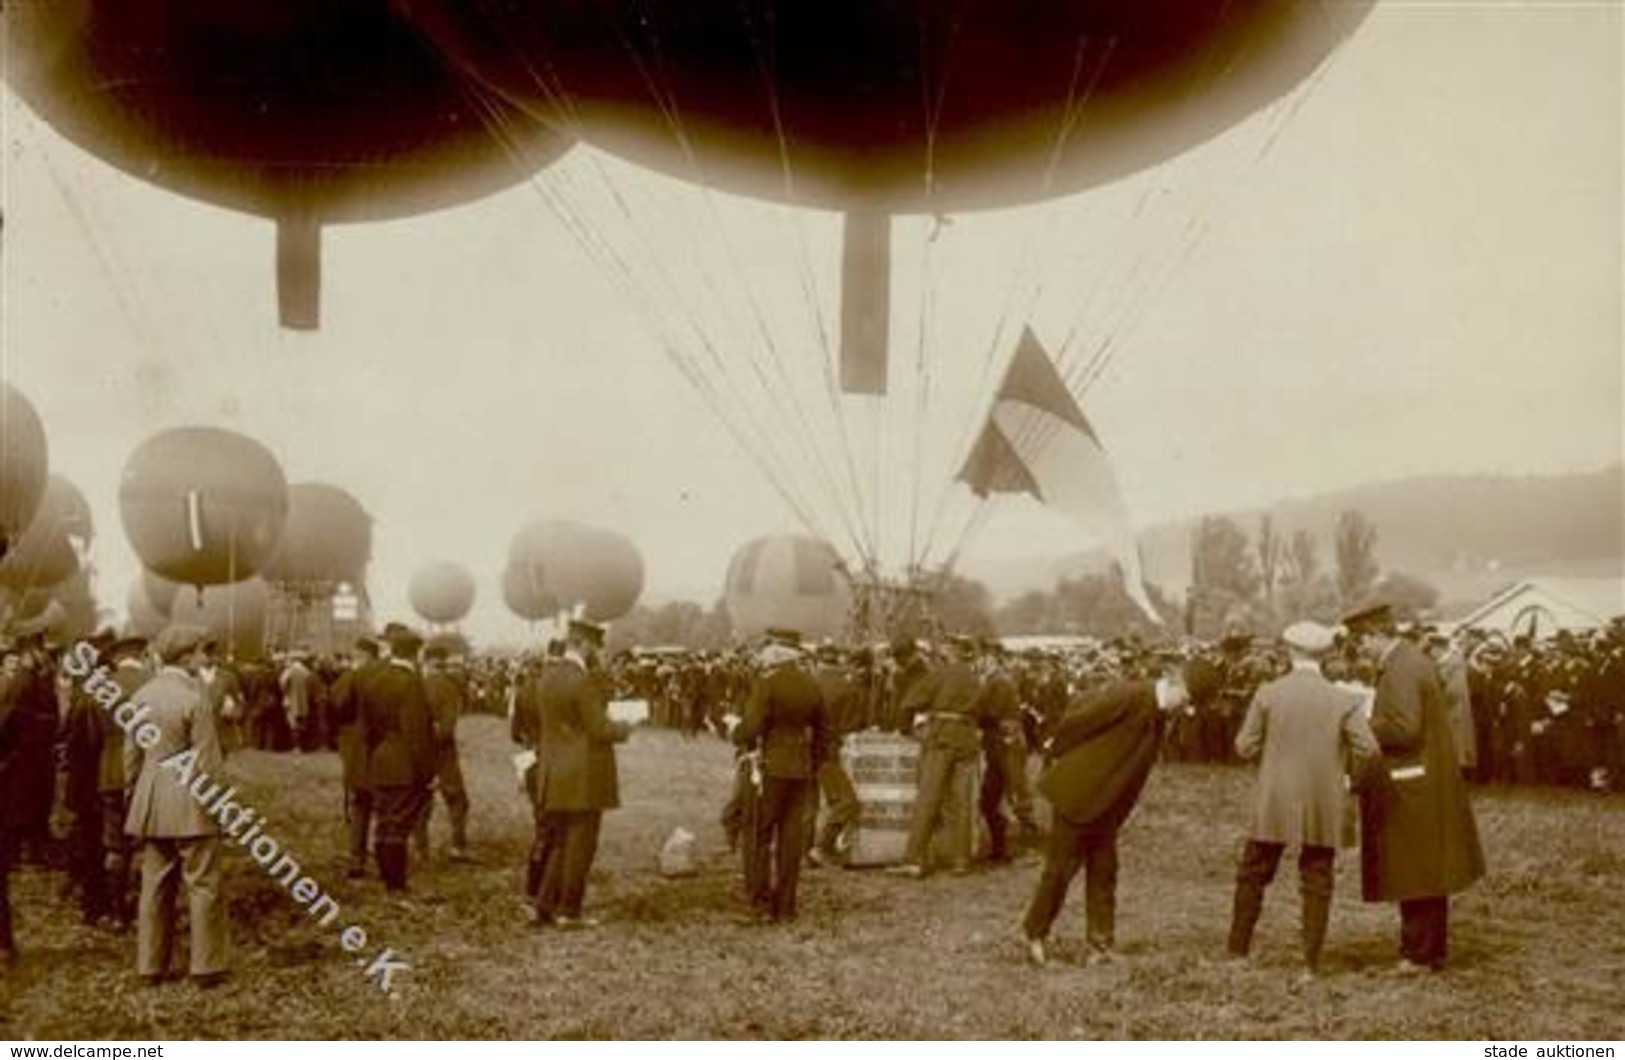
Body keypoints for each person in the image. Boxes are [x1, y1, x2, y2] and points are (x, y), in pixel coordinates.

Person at [1020, 658, 1214, 967]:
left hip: (1107, 805)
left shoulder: (1161, 716)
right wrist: (1058, 758)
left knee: (1104, 871)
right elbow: (1077, 720)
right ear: (1176, 683)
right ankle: (1034, 935)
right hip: (1078, 795)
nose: (1187, 709)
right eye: (1187, 700)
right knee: (1060, 870)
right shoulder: (1131, 694)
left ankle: (1101, 944)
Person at [1224, 621, 1380, 978]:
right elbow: (1369, 750)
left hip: (1274, 797)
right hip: (1323, 801)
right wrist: (1348, 780)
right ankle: (1310, 963)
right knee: (1317, 879)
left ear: (1290, 652)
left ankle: (1237, 952)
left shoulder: (1268, 693)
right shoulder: (1344, 699)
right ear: (1325, 655)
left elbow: (1244, 747)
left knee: (1252, 873)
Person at [1344, 602, 1486, 974]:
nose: (1361, 650)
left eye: (1362, 642)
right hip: (1423, 780)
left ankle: (1418, 954)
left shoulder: (1401, 667)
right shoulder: (1408, 660)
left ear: (1375, 634)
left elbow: (1405, 728)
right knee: (1427, 870)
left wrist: (1359, 721)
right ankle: (1427, 950)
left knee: (1415, 870)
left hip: (1412, 783)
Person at [123, 625, 228, 987]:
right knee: (203, 884)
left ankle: (150, 966)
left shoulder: (141, 697)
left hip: (152, 800)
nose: (206, 659)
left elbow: (131, 758)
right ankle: (206, 966)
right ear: (186, 657)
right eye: (202, 652)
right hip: (192, 802)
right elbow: (208, 762)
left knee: (154, 884)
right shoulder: (194, 698)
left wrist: (133, 798)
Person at [531, 619, 631, 928]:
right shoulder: (582, 681)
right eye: (596, 648)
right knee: (581, 844)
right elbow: (599, 728)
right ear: (586, 645)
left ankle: (545, 903)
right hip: (583, 774)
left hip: (554, 770)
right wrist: (626, 727)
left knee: (559, 840)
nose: (597, 654)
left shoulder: (547, 677)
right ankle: (569, 911)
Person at [733, 638, 828, 922]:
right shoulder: (812, 685)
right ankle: (787, 906)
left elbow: (752, 726)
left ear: (774, 657)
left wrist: (735, 733)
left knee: (759, 835)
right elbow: (824, 730)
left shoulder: (767, 683)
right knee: (790, 839)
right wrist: (813, 761)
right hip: (801, 766)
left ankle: (760, 903)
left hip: (771, 764)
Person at [889, 636, 987, 878]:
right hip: (967, 741)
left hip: (942, 738)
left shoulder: (939, 674)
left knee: (928, 798)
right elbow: (985, 711)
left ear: (951, 652)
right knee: (962, 802)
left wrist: (906, 729)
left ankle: (914, 860)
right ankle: (961, 859)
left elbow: (910, 702)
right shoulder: (976, 678)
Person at [358, 624, 436, 896]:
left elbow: (366, 730)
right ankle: (396, 883)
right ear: (415, 654)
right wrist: (428, 773)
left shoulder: (374, 681)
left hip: (381, 759)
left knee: (384, 820)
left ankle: (387, 878)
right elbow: (416, 732)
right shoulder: (411, 684)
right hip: (405, 762)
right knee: (399, 825)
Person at [329, 636, 382, 879]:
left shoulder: (352, 677)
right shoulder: (387, 675)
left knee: (361, 804)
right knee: (386, 806)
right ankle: (386, 857)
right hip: (385, 751)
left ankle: (357, 859)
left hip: (359, 750)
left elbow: (337, 704)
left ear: (361, 654)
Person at [416, 643, 471, 861]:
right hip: (443, 752)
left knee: (421, 800)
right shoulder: (449, 686)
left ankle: (421, 847)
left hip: (419, 750)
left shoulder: (416, 684)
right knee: (457, 799)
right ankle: (457, 845)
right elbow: (447, 727)